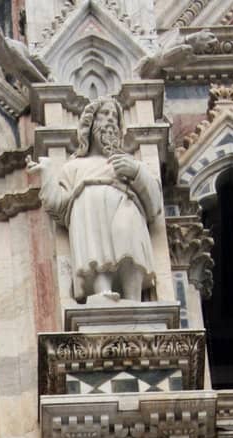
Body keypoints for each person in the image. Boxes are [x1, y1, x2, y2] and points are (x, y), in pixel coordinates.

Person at [37, 95, 161, 304]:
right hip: (89, 213)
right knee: (96, 248)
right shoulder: (73, 167)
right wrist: (47, 172)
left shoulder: (129, 162)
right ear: (91, 123)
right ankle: (102, 290)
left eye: (115, 115)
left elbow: (155, 204)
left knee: (130, 244)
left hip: (126, 204)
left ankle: (134, 297)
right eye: (105, 114)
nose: (111, 119)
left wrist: (136, 172)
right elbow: (57, 206)